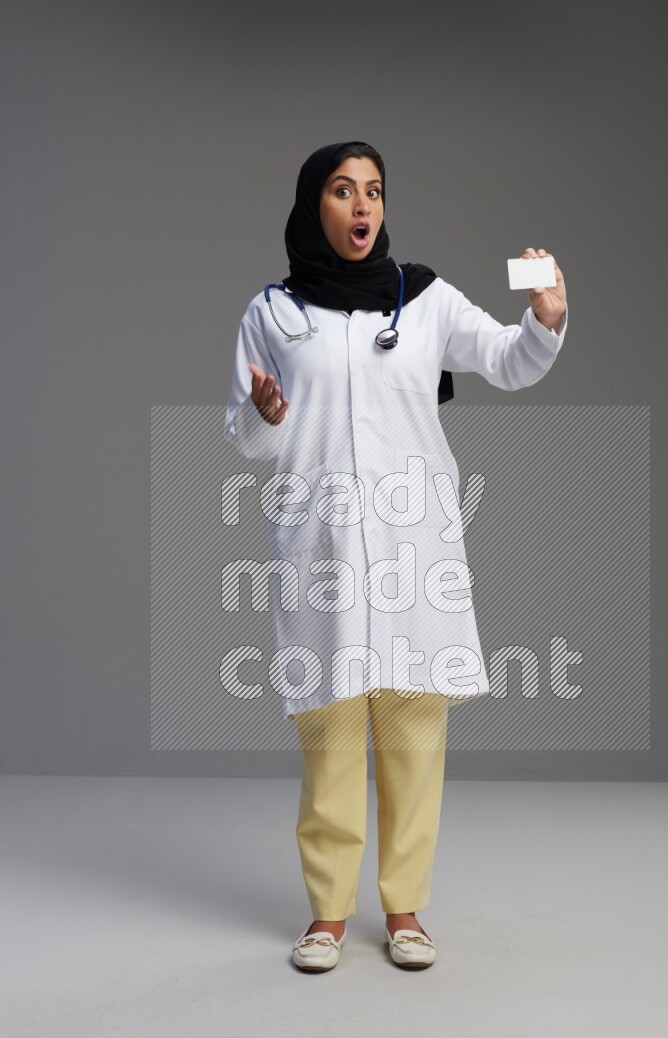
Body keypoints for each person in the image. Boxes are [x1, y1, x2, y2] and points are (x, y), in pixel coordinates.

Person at [223, 141, 568, 972]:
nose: (361, 206)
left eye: (373, 191)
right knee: (332, 734)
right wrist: (266, 410)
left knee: (414, 733)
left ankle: (405, 909)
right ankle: (328, 915)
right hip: (323, 548)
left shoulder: (424, 299)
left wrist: (546, 319)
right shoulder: (272, 314)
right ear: (315, 207)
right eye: (343, 191)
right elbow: (246, 437)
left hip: (416, 548)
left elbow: (506, 361)